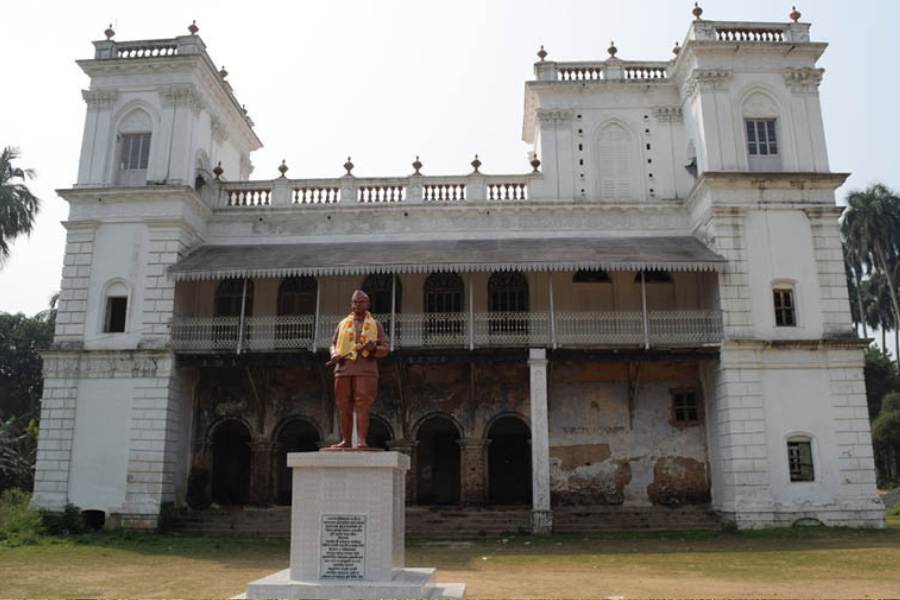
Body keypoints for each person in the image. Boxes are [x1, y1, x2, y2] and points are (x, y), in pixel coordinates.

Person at [326, 289, 390, 449]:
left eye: (361, 302)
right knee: (343, 404)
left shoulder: (375, 325)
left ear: (368, 304)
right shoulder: (343, 323)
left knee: (363, 404)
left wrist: (373, 348)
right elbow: (333, 343)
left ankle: (361, 440)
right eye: (354, 302)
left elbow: (386, 348)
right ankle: (346, 440)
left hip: (365, 369)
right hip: (343, 368)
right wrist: (334, 353)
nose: (357, 305)